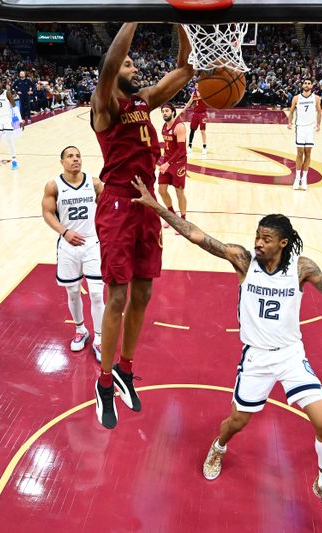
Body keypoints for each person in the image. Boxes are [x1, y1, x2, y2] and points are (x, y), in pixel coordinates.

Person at [131, 177, 322, 526]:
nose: (259, 243)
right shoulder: (242, 260)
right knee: (238, 421)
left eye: (266, 239)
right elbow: (196, 235)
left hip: (290, 355)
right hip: (256, 358)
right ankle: (219, 446)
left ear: (283, 242)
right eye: (257, 236)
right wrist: (158, 207)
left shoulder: (302, 268)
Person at [89, 22, 193, 429]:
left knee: (145, 292)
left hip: (147, 201)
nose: (135, 68)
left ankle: (125, 370)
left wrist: (184, 24)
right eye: (129, 64)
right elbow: (109, 66)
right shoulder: (105, 106)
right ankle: (102, 382)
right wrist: (134, 14)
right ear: (115, 73)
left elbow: (184, 70)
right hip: (117, 205)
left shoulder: (143, 102)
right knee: (117, 297)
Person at [41, 145, 105, 363]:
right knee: (73, 292)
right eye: (70, 156)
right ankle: (81, 330)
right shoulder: (54, 185)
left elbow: (106, 209)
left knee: (97, 293)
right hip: (68, 246)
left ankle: (99, 338)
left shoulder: (94, 183)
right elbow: (47, 213)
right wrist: (64, 232)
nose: (75, 159)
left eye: (78, 156)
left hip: (92, 244)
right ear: (62, 162)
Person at [287, 78, 322, 191]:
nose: (307, 85)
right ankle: (297, 178)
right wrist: (289, 122)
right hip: (300, 127)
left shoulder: (316, 98)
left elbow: (319, 111)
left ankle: (304, 178)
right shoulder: (296, 98)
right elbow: (291, 111)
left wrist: (318, 124)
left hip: (310, 128)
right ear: (302, 85)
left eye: (309, 83)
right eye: (305, 83)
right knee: (300, 152)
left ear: (312, 86)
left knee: (308, 152)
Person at [157, 102, 188, 224]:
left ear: (173, 112)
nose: (164, 113)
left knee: (179, 191)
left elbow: (181, 150)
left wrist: (168, 163)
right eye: (163, 111)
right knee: (161, 190)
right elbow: (168, 147)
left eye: (167, 111)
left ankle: (183, 221)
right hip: (167, 161)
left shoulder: (179, 127)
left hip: (178, 163)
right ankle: (172, 215)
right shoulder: (164, 126)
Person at [185, 86, 208, 156]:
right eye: (196, 85)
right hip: (195, 114)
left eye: (198, 85)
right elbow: (189, 102)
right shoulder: (193, 93)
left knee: (202, 131)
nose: (197, 86)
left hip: (203, 114)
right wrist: (184, 109)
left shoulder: (205, 93)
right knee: (192, 130)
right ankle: (190, 146)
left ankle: (204, 147)